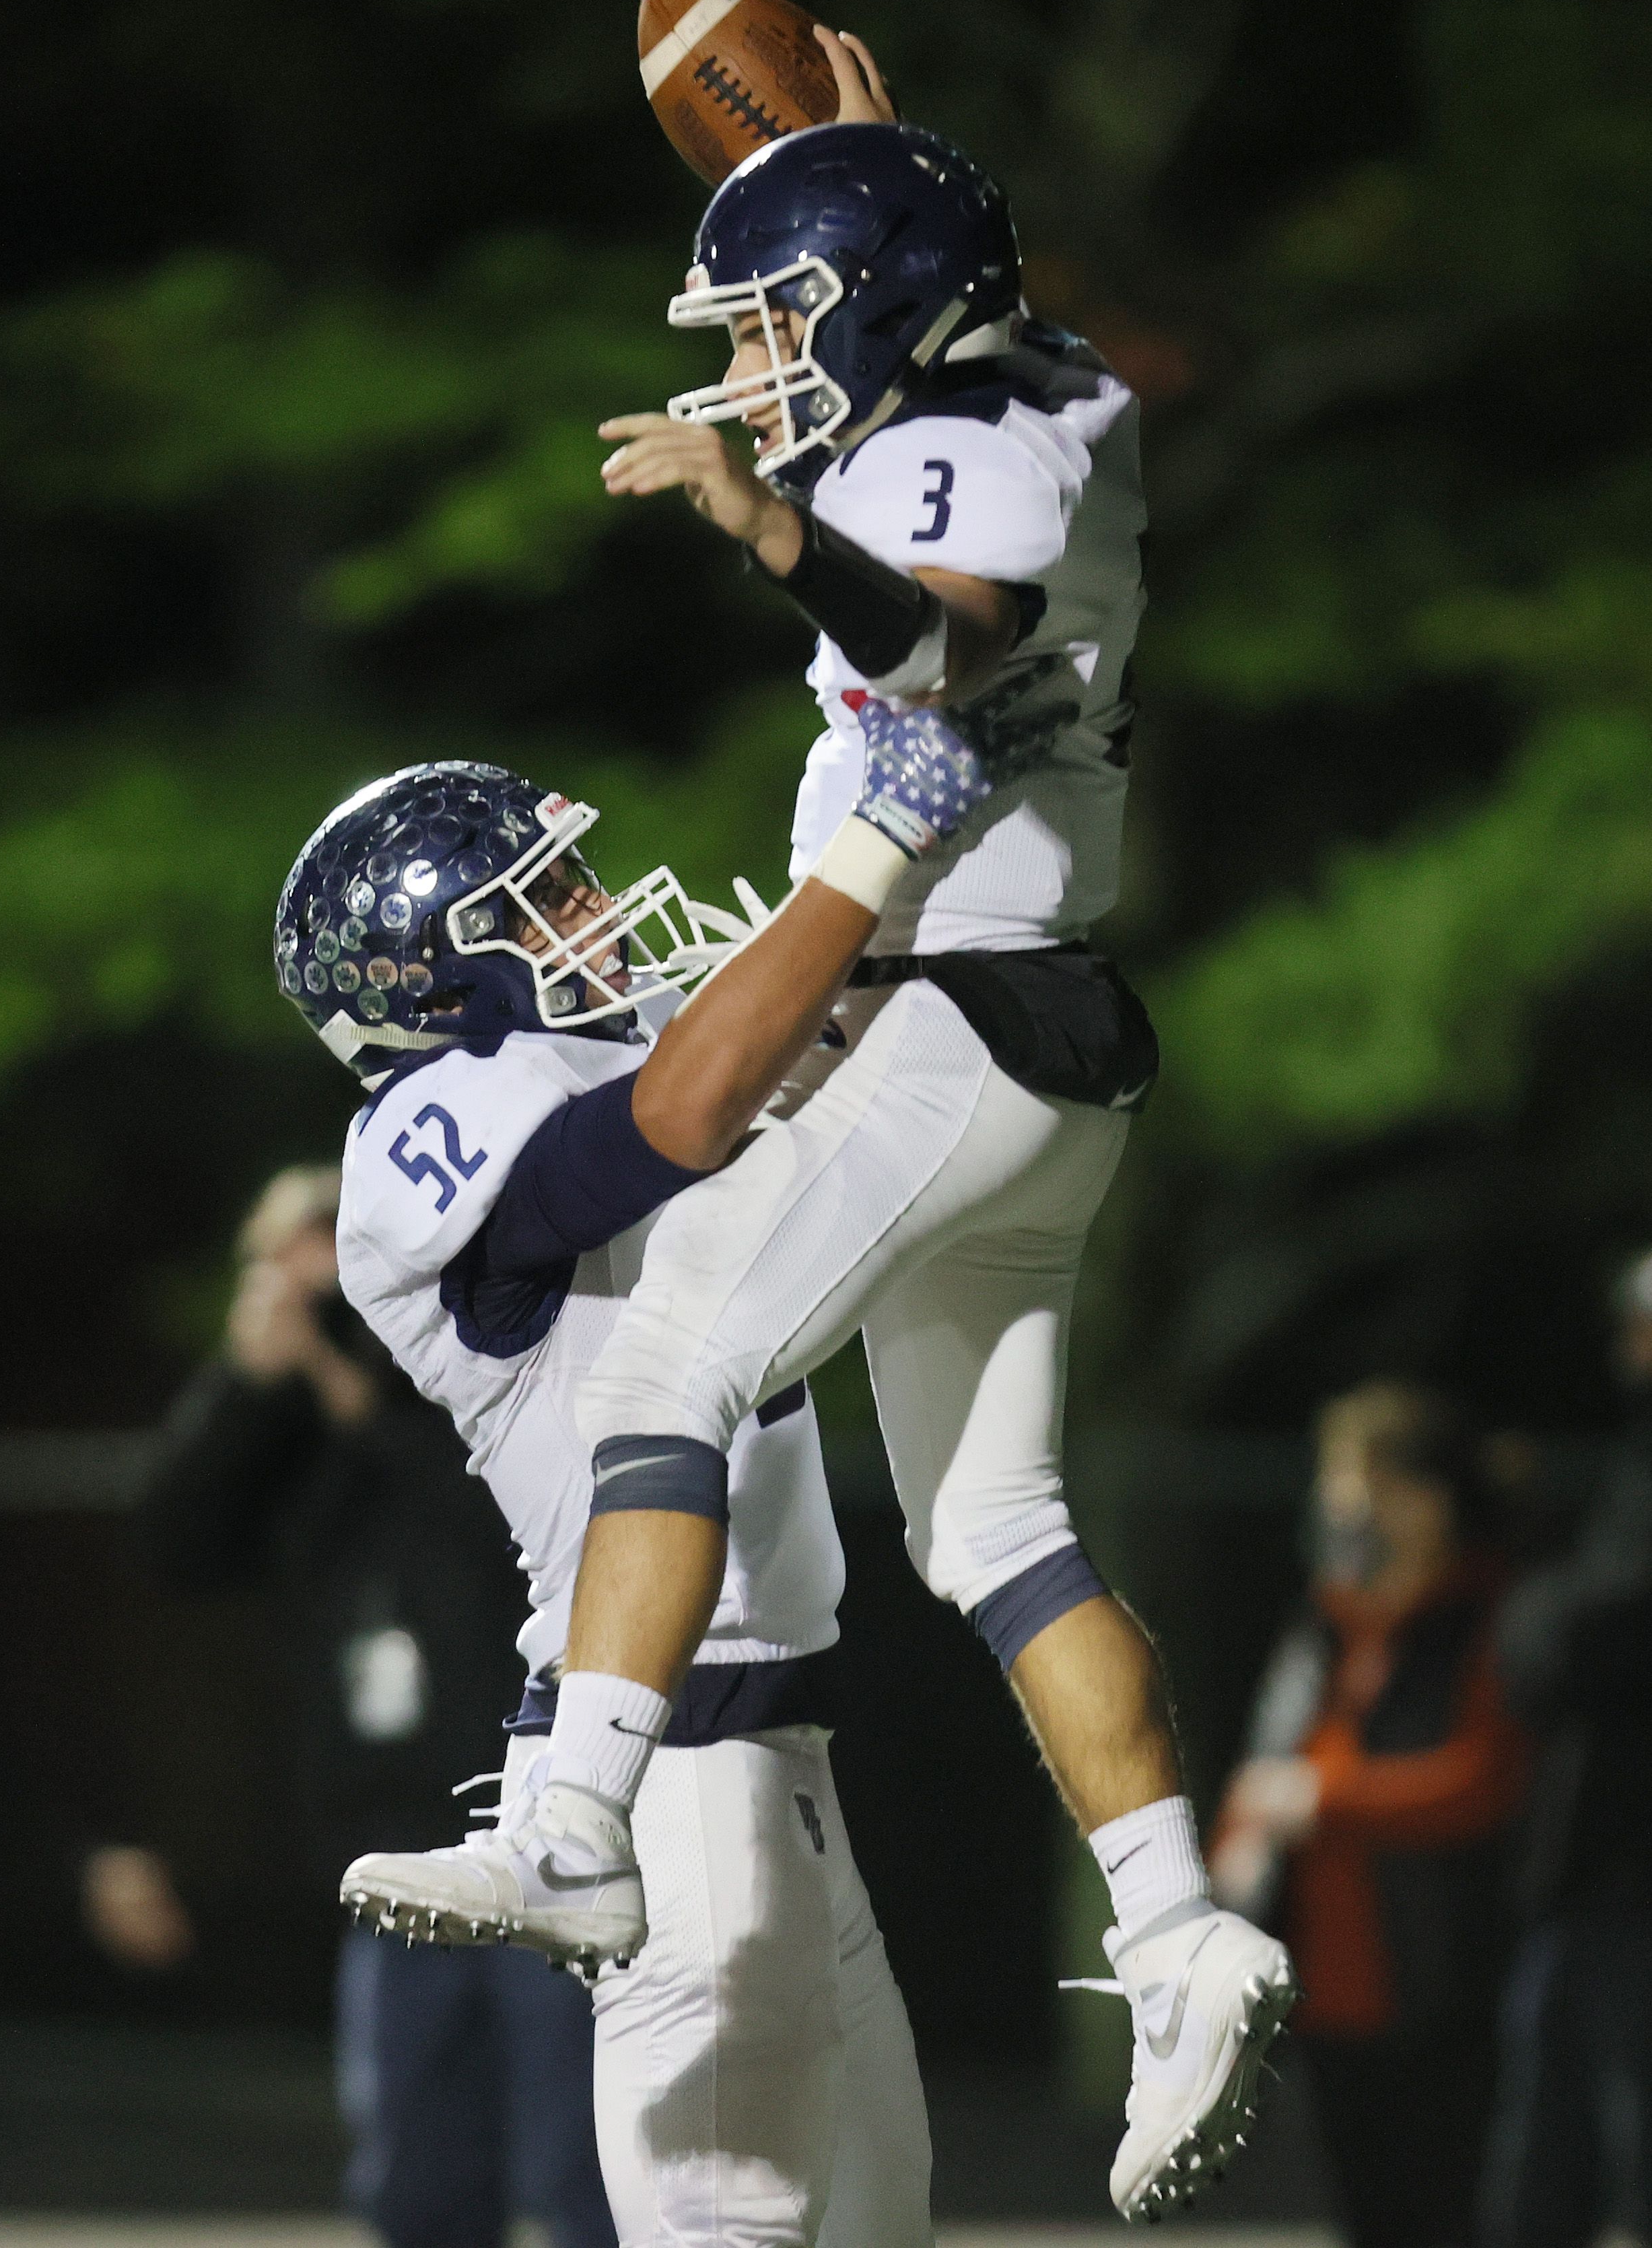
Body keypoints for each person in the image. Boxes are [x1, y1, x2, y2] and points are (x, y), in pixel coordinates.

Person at [421, 117, 1295, 2222]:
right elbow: (977, 372)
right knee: (994, 1522)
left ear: (892, 303)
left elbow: (945, 645)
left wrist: (757, 521)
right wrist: (857, 163)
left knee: (671, 1369)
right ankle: (1181, 1930)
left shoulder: (953, 453)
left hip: (944, 1005)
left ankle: (571, 1818)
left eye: (779, 319)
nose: (753, 369)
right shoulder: (1049, 387)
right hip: (1040, 1036)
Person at [273, 747, 967, 2247]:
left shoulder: (614, 1041)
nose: (594, 912)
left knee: (875, 2222)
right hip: (677, 1749)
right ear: (440, 986)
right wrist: (876, 836)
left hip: (772, 1742)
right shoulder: (427, 1132)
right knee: (730, 2225)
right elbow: (667, 1125)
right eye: (545, 901)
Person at [137, 1166, 615, 2248]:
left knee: (581, 2180)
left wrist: (360, 1387)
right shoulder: (285, 1451)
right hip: (389, 1868)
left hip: (539, 1855)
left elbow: (490, 1533)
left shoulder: (479, 1390)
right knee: (417, 2193)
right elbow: (170, 1544)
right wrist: (243, 1381)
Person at [1209, 1382, 1527, 2248]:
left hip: (1444, 1984)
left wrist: (1325, 1799)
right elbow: (1259, 1778)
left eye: (1372, 1490)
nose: (1348, 1513)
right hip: (1329, 1982)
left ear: (1433, 1500)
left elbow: (1483, 1784)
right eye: (1341, 1489)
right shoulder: (1326, 1620)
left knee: (1450, 2214)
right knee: (1366, 2214)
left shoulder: (1489, 1616)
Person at [1477, 1252, 1652, 2248]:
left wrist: (1541, 1623)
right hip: (1589, 1877)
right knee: (1541, 2171)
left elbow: (1593, 1631)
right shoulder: (1630, 1469)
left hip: (1631, 1885)